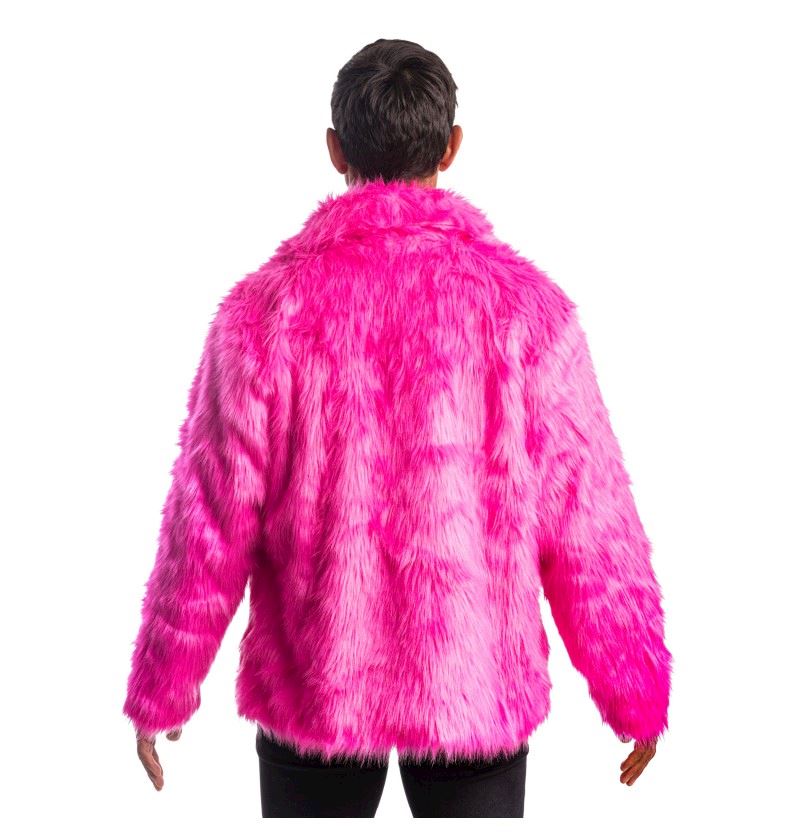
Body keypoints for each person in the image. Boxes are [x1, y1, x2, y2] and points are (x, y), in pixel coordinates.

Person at [124, 38, 673, 817]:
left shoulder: (263, 314)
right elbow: (590, 518)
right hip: (472, 683)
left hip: (317, 681)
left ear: (335, 149)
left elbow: (208, 519)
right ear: (451, 148)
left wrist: (164, 685)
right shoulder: (526, 314)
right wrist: (636, 690)